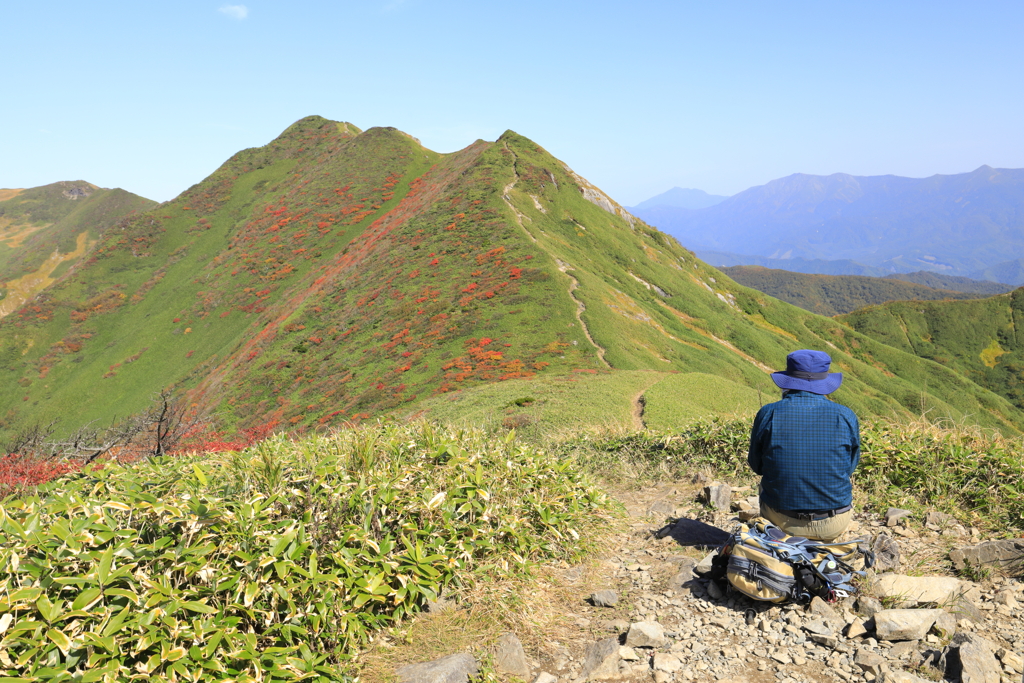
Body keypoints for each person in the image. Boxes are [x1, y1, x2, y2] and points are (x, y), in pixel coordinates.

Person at [748, 349, 860, 542]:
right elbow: (849, 467)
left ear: (788, 381)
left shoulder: (768, 413)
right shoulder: (845, 415)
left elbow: (757, 466)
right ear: (824, 382)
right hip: (833, 523)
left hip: (781, 521)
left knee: (766, 485)